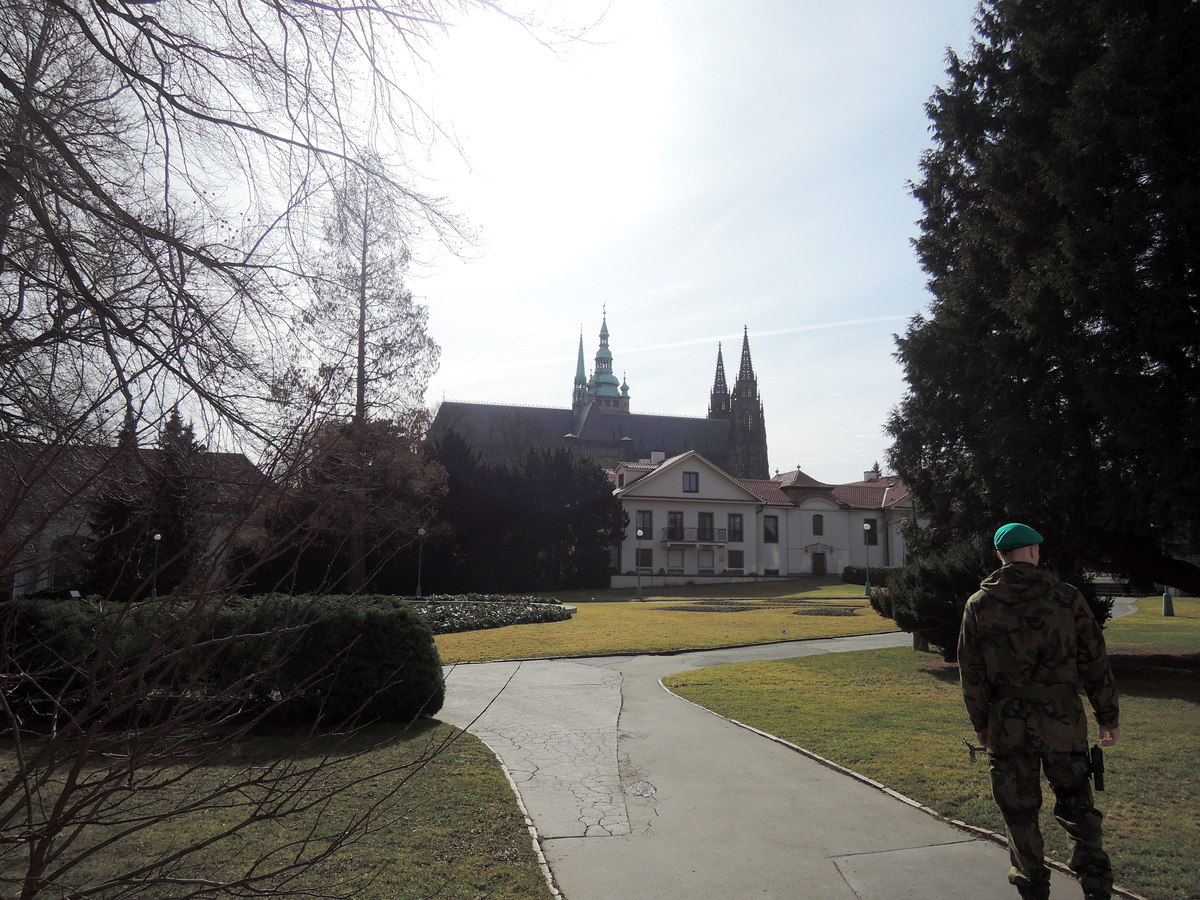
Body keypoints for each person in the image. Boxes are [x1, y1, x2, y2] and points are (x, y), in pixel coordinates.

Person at [958, 523, 1120, 900]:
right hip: (1063, 720)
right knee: (1078, 809)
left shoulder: (979, 603)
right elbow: (1094, 660)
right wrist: (1106, 715)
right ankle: (1096, 886)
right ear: (1033, 551)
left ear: (1000, 555)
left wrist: (981, 723)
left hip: (1008, 723)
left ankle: (1032, 886)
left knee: (1019, 813)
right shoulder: (1067, 597)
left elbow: (972, 672)